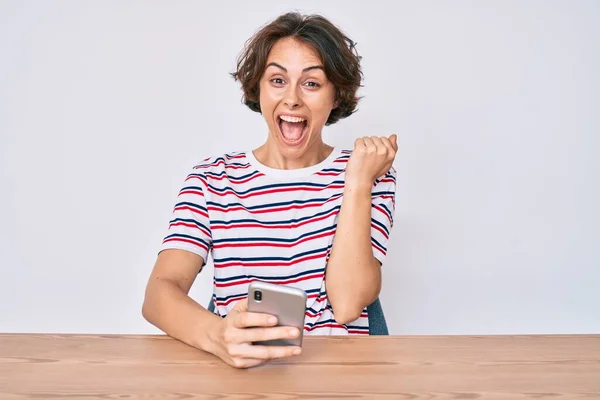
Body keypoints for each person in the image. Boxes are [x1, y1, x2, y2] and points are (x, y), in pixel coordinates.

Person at [142, 11, 398, 369]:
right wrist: (218, 337)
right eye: (278, 80)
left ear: (336, 95)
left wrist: (357, 183)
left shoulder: (368, 173)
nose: (292, 99)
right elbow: (159, 294)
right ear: (257, 88)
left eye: (311, 83)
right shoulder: (211, 180)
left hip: (342, 375)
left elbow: (348, 302)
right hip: (242, 374)